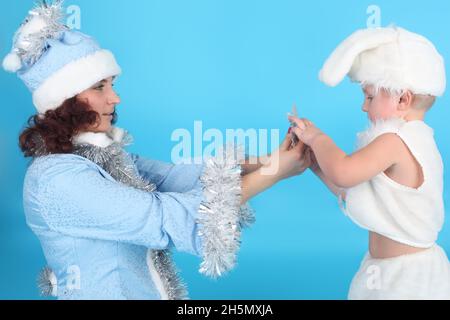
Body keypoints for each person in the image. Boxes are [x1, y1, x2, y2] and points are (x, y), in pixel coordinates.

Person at [3, 1, 310, 299]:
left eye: (112, 84)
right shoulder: (57, 181)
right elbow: (162, 217)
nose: (115, 98)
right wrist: (274, 173)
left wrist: (270, 162)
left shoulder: (100, 157)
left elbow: (176, 178)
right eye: (99, 87)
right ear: (65, 100)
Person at [289, 26, 450, 299]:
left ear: (402, 99)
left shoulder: (395, 140)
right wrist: (316, 166)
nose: (364, 106)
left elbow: (343, 172)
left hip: (408, 281)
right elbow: (357, 191)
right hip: (392, 270)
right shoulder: (416, 140)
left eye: (370, 96)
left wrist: (317, 137)